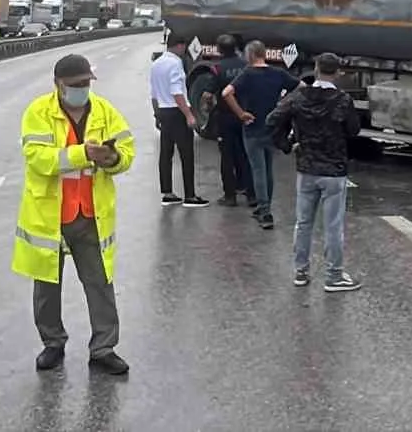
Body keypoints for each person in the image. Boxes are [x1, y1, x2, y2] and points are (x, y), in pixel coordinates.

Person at [14, 54, 135, 376]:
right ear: (58, 84)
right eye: (76, 85)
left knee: (99, 284)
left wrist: (111, 159)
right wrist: (85, 154)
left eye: (86, 83)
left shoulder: (105, 111)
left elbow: (127, 152)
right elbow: (38, 158)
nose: (83, 89)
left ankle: (104, 348)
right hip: (50, 214)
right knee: (47, 286)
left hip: (91, 214)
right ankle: (53, 343)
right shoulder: (38, 112)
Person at [270, 51, 362, 291]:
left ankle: (301, 272)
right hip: (334, 169)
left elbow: (273, 120)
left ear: (316, 68)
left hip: (307, 167)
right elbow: (353, 130)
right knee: (333, 225)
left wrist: (287, 145)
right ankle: (334, 276)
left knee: (303, 223)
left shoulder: (298, 97)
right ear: (338, 72)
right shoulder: (342, 100)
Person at [221, 40, 302, 230]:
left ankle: (264, 211)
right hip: (273, 128)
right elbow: (301, 87)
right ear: (264, 53)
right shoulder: (278, 73)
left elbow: (226, 93)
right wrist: (284, 104)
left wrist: (241, 113)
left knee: (258, 170)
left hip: (252, 126)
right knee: (267, 169)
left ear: (249, 55)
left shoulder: (247, 74)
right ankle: (264, 206)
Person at [149, 30, 206, 207]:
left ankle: (167, 193)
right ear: (180, 46)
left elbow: (154, 93)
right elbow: (177, 92)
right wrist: (189, 115)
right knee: (186, 154)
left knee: (166, 154)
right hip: (177, 112)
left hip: (163, 112)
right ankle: (190, 196)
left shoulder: (156, 64)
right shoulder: (175, 64)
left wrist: (156, 114)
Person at [208, 35, 254, 206]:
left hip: (225, 117)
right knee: (245, 153)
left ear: (219, 50)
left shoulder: (217, 68)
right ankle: (251, 195)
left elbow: (208, 94)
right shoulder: (246, 65)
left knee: (226, 156)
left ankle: (230, 196)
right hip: (244, 114)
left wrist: (208, 107)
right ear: (236, 48)